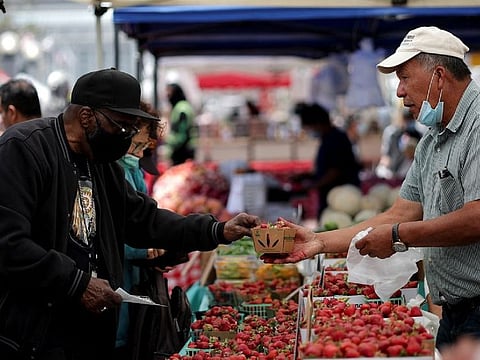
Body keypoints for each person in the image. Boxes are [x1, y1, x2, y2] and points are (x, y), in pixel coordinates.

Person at [0, 68, 260, 360]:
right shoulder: (23, 149)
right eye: (122, 126)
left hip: (87, 333)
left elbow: (142, 218)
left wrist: (217, 230)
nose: (127, 137)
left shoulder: (99, 161)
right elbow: (9, 245)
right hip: (35, 335)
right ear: (87, 116)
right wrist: (77, 282)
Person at [262, 26, 480, 354]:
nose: (399, 92)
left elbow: (475, 218)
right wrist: (319, 242)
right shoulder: (431, 141)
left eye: (404, 78)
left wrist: (397, 236)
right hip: (455, 312)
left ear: (438, 76)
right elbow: (401, 212)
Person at [293, 102, 361, 218]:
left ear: (317, 123)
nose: (308, 131)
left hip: (341, 198)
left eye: (308, 127)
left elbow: (335, 171)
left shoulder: (336, 139)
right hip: (329, 197)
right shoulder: (327, 138)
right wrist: (305, 176)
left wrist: (314, 184)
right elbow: (325, 168)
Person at [163, 83, 197, 165]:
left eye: (169, 93)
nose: (167, 96)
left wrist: (169, 142)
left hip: (182, 150)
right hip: (185, 148)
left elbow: (181, 132)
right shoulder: (183, 106)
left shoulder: (181, 109)